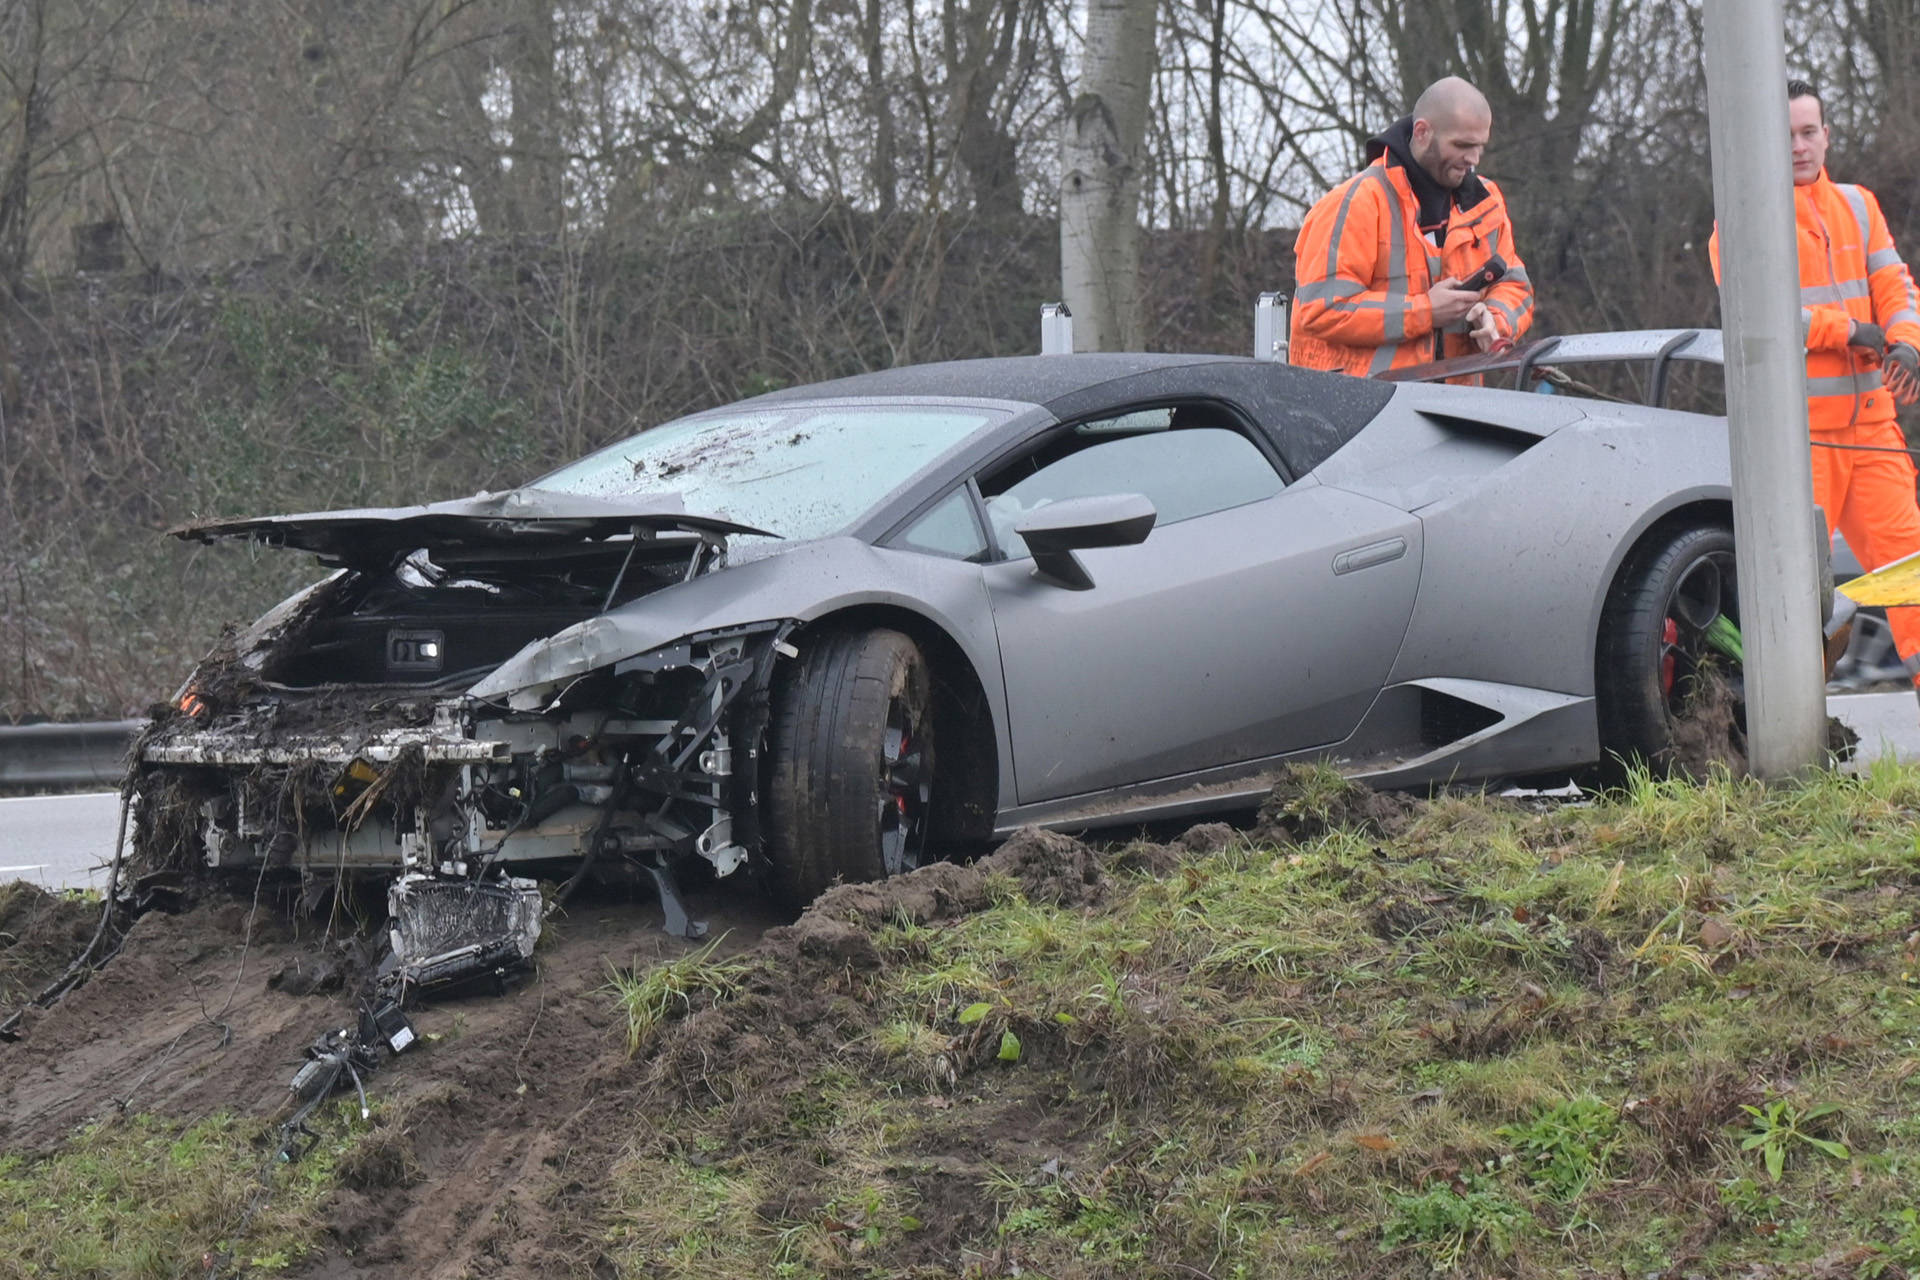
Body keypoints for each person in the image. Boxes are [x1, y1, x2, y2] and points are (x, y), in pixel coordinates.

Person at [1709, 80, 1920, 690]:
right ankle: (1775, 731)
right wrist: (1851, 330)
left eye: (1809, 131)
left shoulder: (1858, 204)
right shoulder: (1742, 220)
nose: (1799, 146)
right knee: (1790, 597)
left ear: (1826, 134)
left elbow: (1897, 286)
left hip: (1873, 431)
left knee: (1911, 574)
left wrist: (1905, 337)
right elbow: (1761, 311)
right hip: (1799, 441)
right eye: (1786, 134)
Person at [1289, 76, 1535, 377]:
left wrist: (1494, 320)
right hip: (1359, 412)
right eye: (1462, 145)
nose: (1472, 159)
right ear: (1422, 132)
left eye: (1479, 147)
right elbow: (1322, 310)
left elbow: (1515, 285)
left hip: (1456, 411)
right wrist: (1425, 311)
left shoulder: (1486, 203)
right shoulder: (1354, 204)